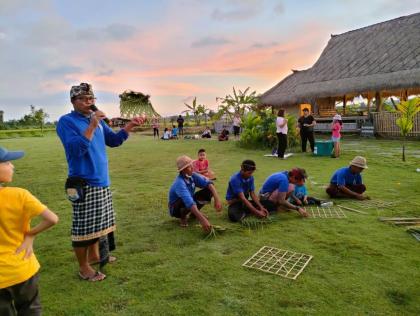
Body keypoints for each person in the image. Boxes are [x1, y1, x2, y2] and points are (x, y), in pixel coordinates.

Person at [56, 82, 145, 282]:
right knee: (83, 227)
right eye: (84, 99)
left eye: (91, 99)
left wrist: (129, 126)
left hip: (102, 179)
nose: (89, 102)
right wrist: (93, 124)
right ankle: (83, 267)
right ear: (73, 101)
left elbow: (113, 141)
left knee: (99, 221)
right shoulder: (66, 121)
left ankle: (96, 256)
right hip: (83, 181)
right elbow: (76, 149)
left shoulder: (95, 119)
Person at [0, 146, 59, 315]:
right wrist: (30, 235)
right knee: (30, 309)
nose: (13, 166)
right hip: (21, 268)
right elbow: (52, 219)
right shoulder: (19, 195)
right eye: (7, 162)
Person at [168, 155, 222, 232]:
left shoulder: (192, 175)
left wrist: (217, 199)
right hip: (176, 208)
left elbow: (209, 183)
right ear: (183, 170)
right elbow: (189, 202)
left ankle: (194, 214)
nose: (193, 168)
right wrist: (203, 220)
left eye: (192, 165)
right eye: (190, 167)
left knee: (209, 191)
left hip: (189, 200)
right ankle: (182, 217)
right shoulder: (179, 183)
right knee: (186, 200)